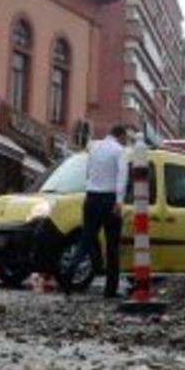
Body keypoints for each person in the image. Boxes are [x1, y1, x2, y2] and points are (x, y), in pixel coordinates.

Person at [65, 124, 129, 298]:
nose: (126, 141)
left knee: (86, 239)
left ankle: (69, 270)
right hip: (109, 199)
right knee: (112, 245)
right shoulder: (119, 150)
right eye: (126, 138)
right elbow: (122, 177)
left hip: (91, 197)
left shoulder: (94, 147)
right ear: (121, 135)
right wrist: (119, 202)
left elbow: (88, 174)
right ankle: (110, 290)